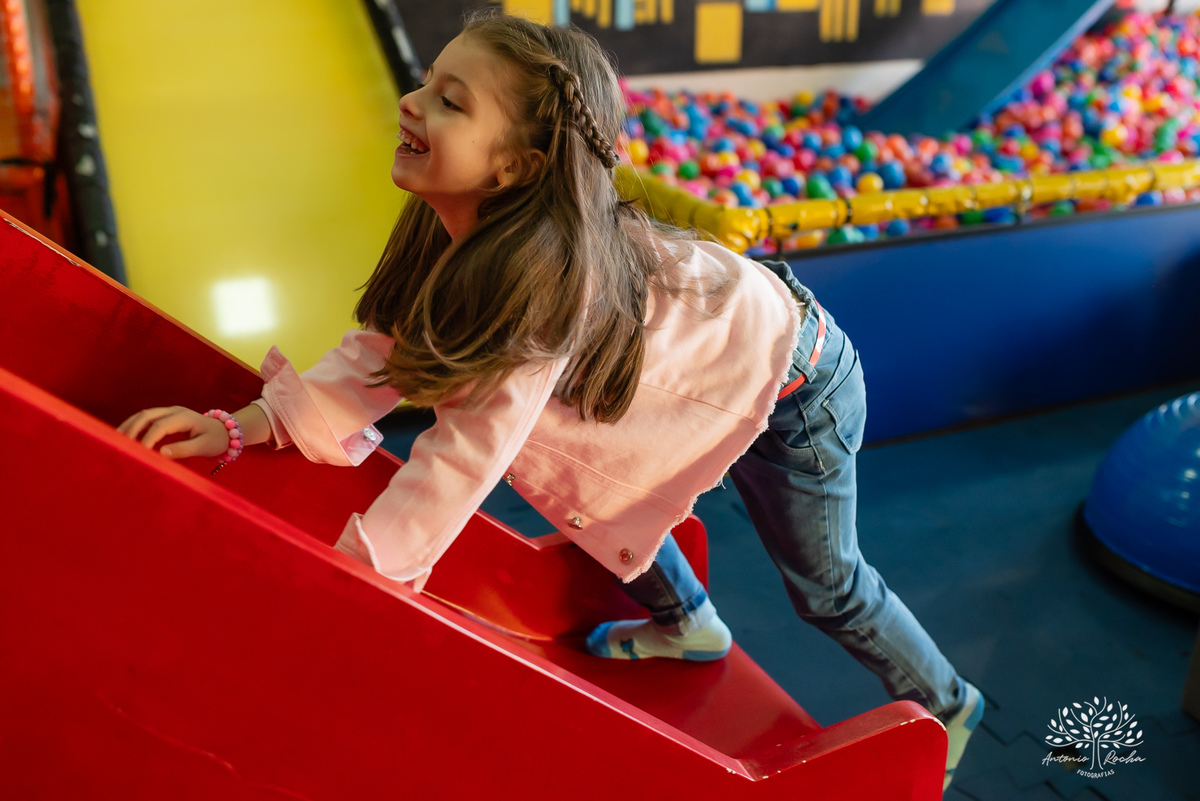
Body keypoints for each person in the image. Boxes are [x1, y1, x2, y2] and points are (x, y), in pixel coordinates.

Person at [117, 10, 981, 788]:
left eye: (450, 103)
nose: (413, 104)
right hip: (712, 359)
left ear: (517, 166)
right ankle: (690, 622)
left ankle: (946, 705)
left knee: (827, 584)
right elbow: (380, 355)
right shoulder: (448, 227)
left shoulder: (541, 295)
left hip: (801, 380)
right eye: (428, 83)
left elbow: (460, 463)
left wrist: (357, 582)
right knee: (576, 473)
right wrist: (243, 426)